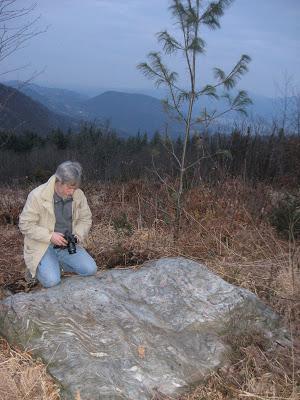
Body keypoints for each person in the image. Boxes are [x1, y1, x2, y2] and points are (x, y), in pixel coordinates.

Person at [19, 161, 97, 288]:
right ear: (58, 181)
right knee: (52, 281)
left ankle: (55, 264)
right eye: (69, 187)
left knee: (90, 269)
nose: (72, 192)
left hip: (67, 244)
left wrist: (77, 235)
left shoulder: (79, 195)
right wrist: (50, 236)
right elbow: (25, 224)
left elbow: (85, 219)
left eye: (75, 188)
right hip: (43, 245)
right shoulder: (37, 196)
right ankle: (37, 267)